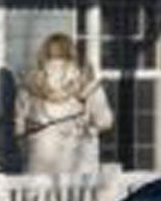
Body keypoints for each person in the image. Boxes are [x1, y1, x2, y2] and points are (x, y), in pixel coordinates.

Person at [14, 31, 113, 177]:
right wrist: (91, 129)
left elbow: (18, 129)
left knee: (39, 199)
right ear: (72, 53)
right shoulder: (86, 84)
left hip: (38, 167)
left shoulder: (29, 86)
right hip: (79, 167)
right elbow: (104, 121)